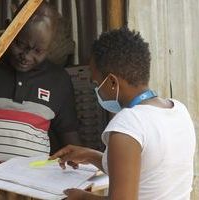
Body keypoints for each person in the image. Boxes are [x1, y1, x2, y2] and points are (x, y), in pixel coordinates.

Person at [50, 27, 196, 200]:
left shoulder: (128, 124)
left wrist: (80, 197)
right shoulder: (178, 110)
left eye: (96, 83)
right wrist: (89, 155)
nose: (96, 89)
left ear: (112, 82)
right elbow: (148, 168)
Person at [0, 1, 80, 184]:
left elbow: (71, 146)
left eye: (38, 51)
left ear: (50, 47)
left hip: (30, 195)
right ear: (8, 28)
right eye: (19, 44)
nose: (26, 56)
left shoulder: (59, 81)